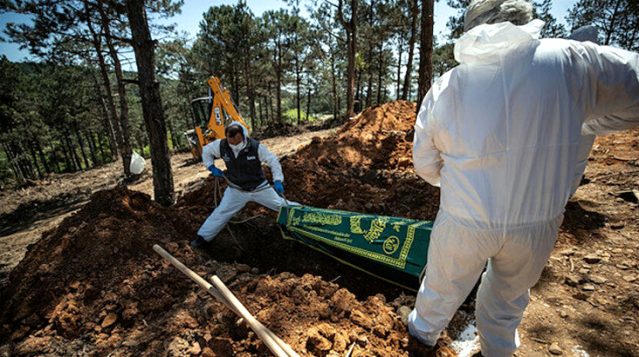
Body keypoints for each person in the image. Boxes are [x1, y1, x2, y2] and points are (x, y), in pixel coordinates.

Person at [408, 0, 639, 355]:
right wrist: (584, 123)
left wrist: (454, 183)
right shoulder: (569, 60)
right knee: (506, 304)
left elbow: (424, 162)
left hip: (465, 220)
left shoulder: (448, 85)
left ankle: (420, 343)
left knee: (438, 295)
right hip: (537, 223)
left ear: (472, 28)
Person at [190, 121, 294, 248]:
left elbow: (273, 161)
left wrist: (278, 179)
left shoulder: (256, 147)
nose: (233, 144)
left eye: (237, 141)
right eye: (230, 141)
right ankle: (202, 238)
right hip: (236, 190)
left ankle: (308, 216)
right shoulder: (221, 145)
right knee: (222, 212)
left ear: (243, 137)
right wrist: (211, 166)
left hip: (259, 188)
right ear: (227, 137)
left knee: (281, 205)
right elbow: (206, 150)